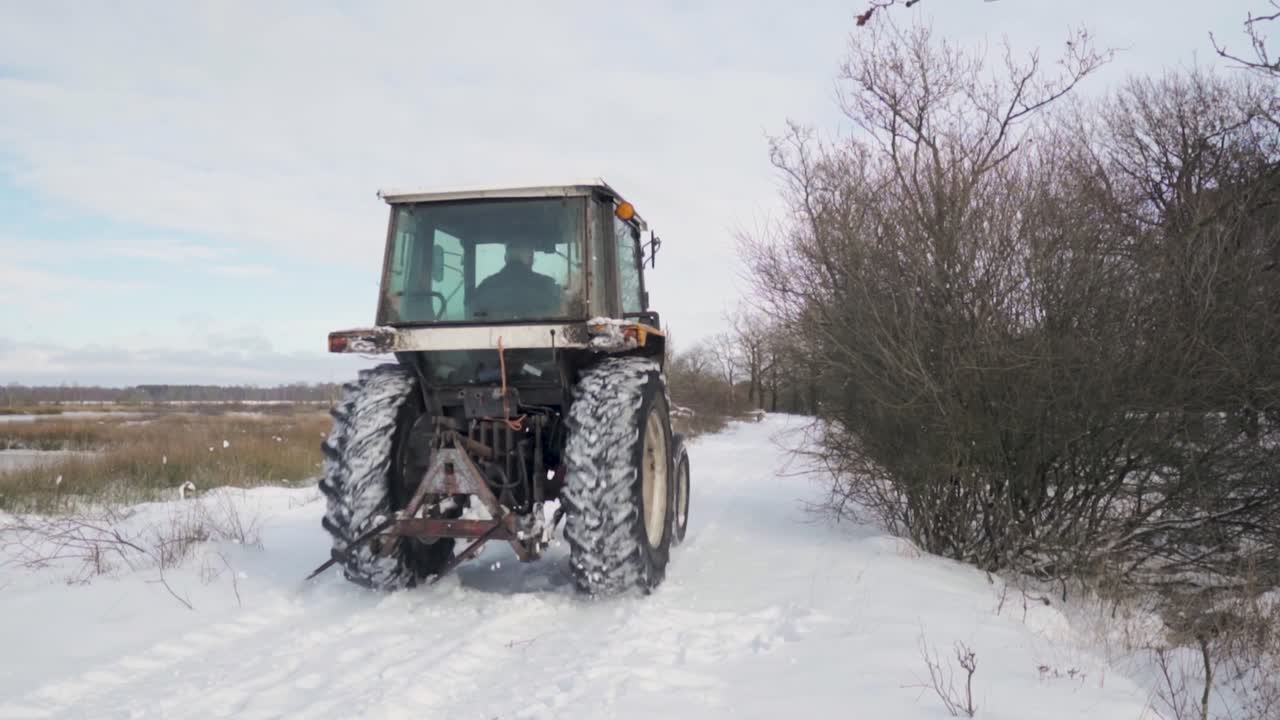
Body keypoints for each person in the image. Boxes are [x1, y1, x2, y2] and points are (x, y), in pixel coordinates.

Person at [470, 244, 561, 319]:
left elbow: (474, 315)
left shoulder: (485, 287)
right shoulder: (548, 287)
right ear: (531, 259)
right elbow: (563, 313)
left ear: (505, 258)